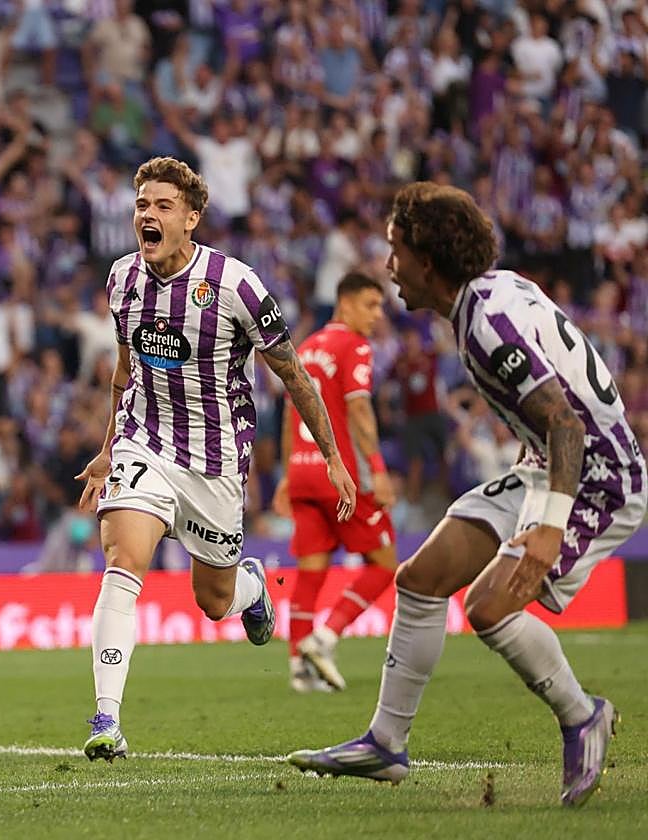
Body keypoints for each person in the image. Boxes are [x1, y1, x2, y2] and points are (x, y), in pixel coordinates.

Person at [287, 183, 646, 808]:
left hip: (596, 474)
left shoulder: (484, 327)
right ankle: (386, 743)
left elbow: (566, 424)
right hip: (548, 462)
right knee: (420, 578)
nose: (389, 265)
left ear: (427, 260)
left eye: (396, 251)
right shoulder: (492, 295)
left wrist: (551, 525)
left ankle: (581, 714)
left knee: (488, 606)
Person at [74, 156, 357, 762]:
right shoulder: (122, 278)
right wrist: (105, 451)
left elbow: (294, 376)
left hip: (215, 462)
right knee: (123, 562)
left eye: (162, 206)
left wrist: (332, 456)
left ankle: (251, 589)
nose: (146, 215)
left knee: (212, 599)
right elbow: (126, 373)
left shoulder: (236, 286)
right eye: (141, 204)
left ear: (192, 219)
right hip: (143, 443)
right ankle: (106, 719)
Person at [272, 271, 397, 693]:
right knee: (384, 565)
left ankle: (298, 670)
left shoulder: (305, 349)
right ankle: (324, 639)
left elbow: (293, 414)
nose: (377, 315)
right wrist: (377, 468)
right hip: (341, 473)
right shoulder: (355, 346)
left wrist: (288, 476)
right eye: (370, 305)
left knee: (310, 571)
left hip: (303, 472)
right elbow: (359, 410)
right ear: (345, 304)